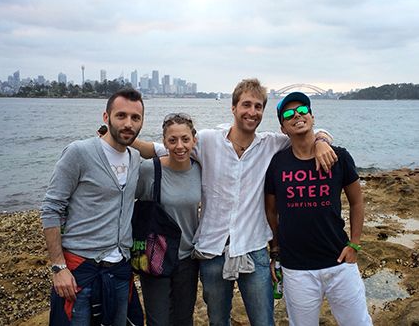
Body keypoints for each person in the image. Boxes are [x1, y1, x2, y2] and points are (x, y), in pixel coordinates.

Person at [133, 78, 337, 326]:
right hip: (212, 251)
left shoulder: (271, 144)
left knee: (263, 321)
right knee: (218, 322)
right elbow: (160, 148)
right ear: (233, 108)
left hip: (253, 249)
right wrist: (119, 138)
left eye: (258, 106)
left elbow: (308, 133)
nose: (252, 112)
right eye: (246, 105)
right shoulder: (208, 140)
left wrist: (322, 142)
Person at [264, 92, 372, 325]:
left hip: (340, 262)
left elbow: (357, 201)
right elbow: (271, 210)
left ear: (312, 117)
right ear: (283, 127)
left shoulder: (339, 156)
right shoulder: (277, 163)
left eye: (303, 110)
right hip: (296, 269)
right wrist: (275, 250)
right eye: (289, 114)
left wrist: (354, 243)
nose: (297, 116)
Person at [40, 88, 144, 326]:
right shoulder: (79, 152)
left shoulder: (136, 158)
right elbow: (51, 208)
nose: (128, 123)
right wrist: (58, 267)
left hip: (120, 270)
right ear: (106, 118)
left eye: (135, 118)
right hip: (80, 270)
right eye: (121, 116)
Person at [135, 113, 202, 326]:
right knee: (158, 320)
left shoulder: (200, 169)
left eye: (185, 139)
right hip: (156, 255)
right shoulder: (149, 170)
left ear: (194, 140)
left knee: (183, 319)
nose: (179, 146)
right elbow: (129, 205)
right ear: (164, 142)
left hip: (187, 259)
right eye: (172, 140)